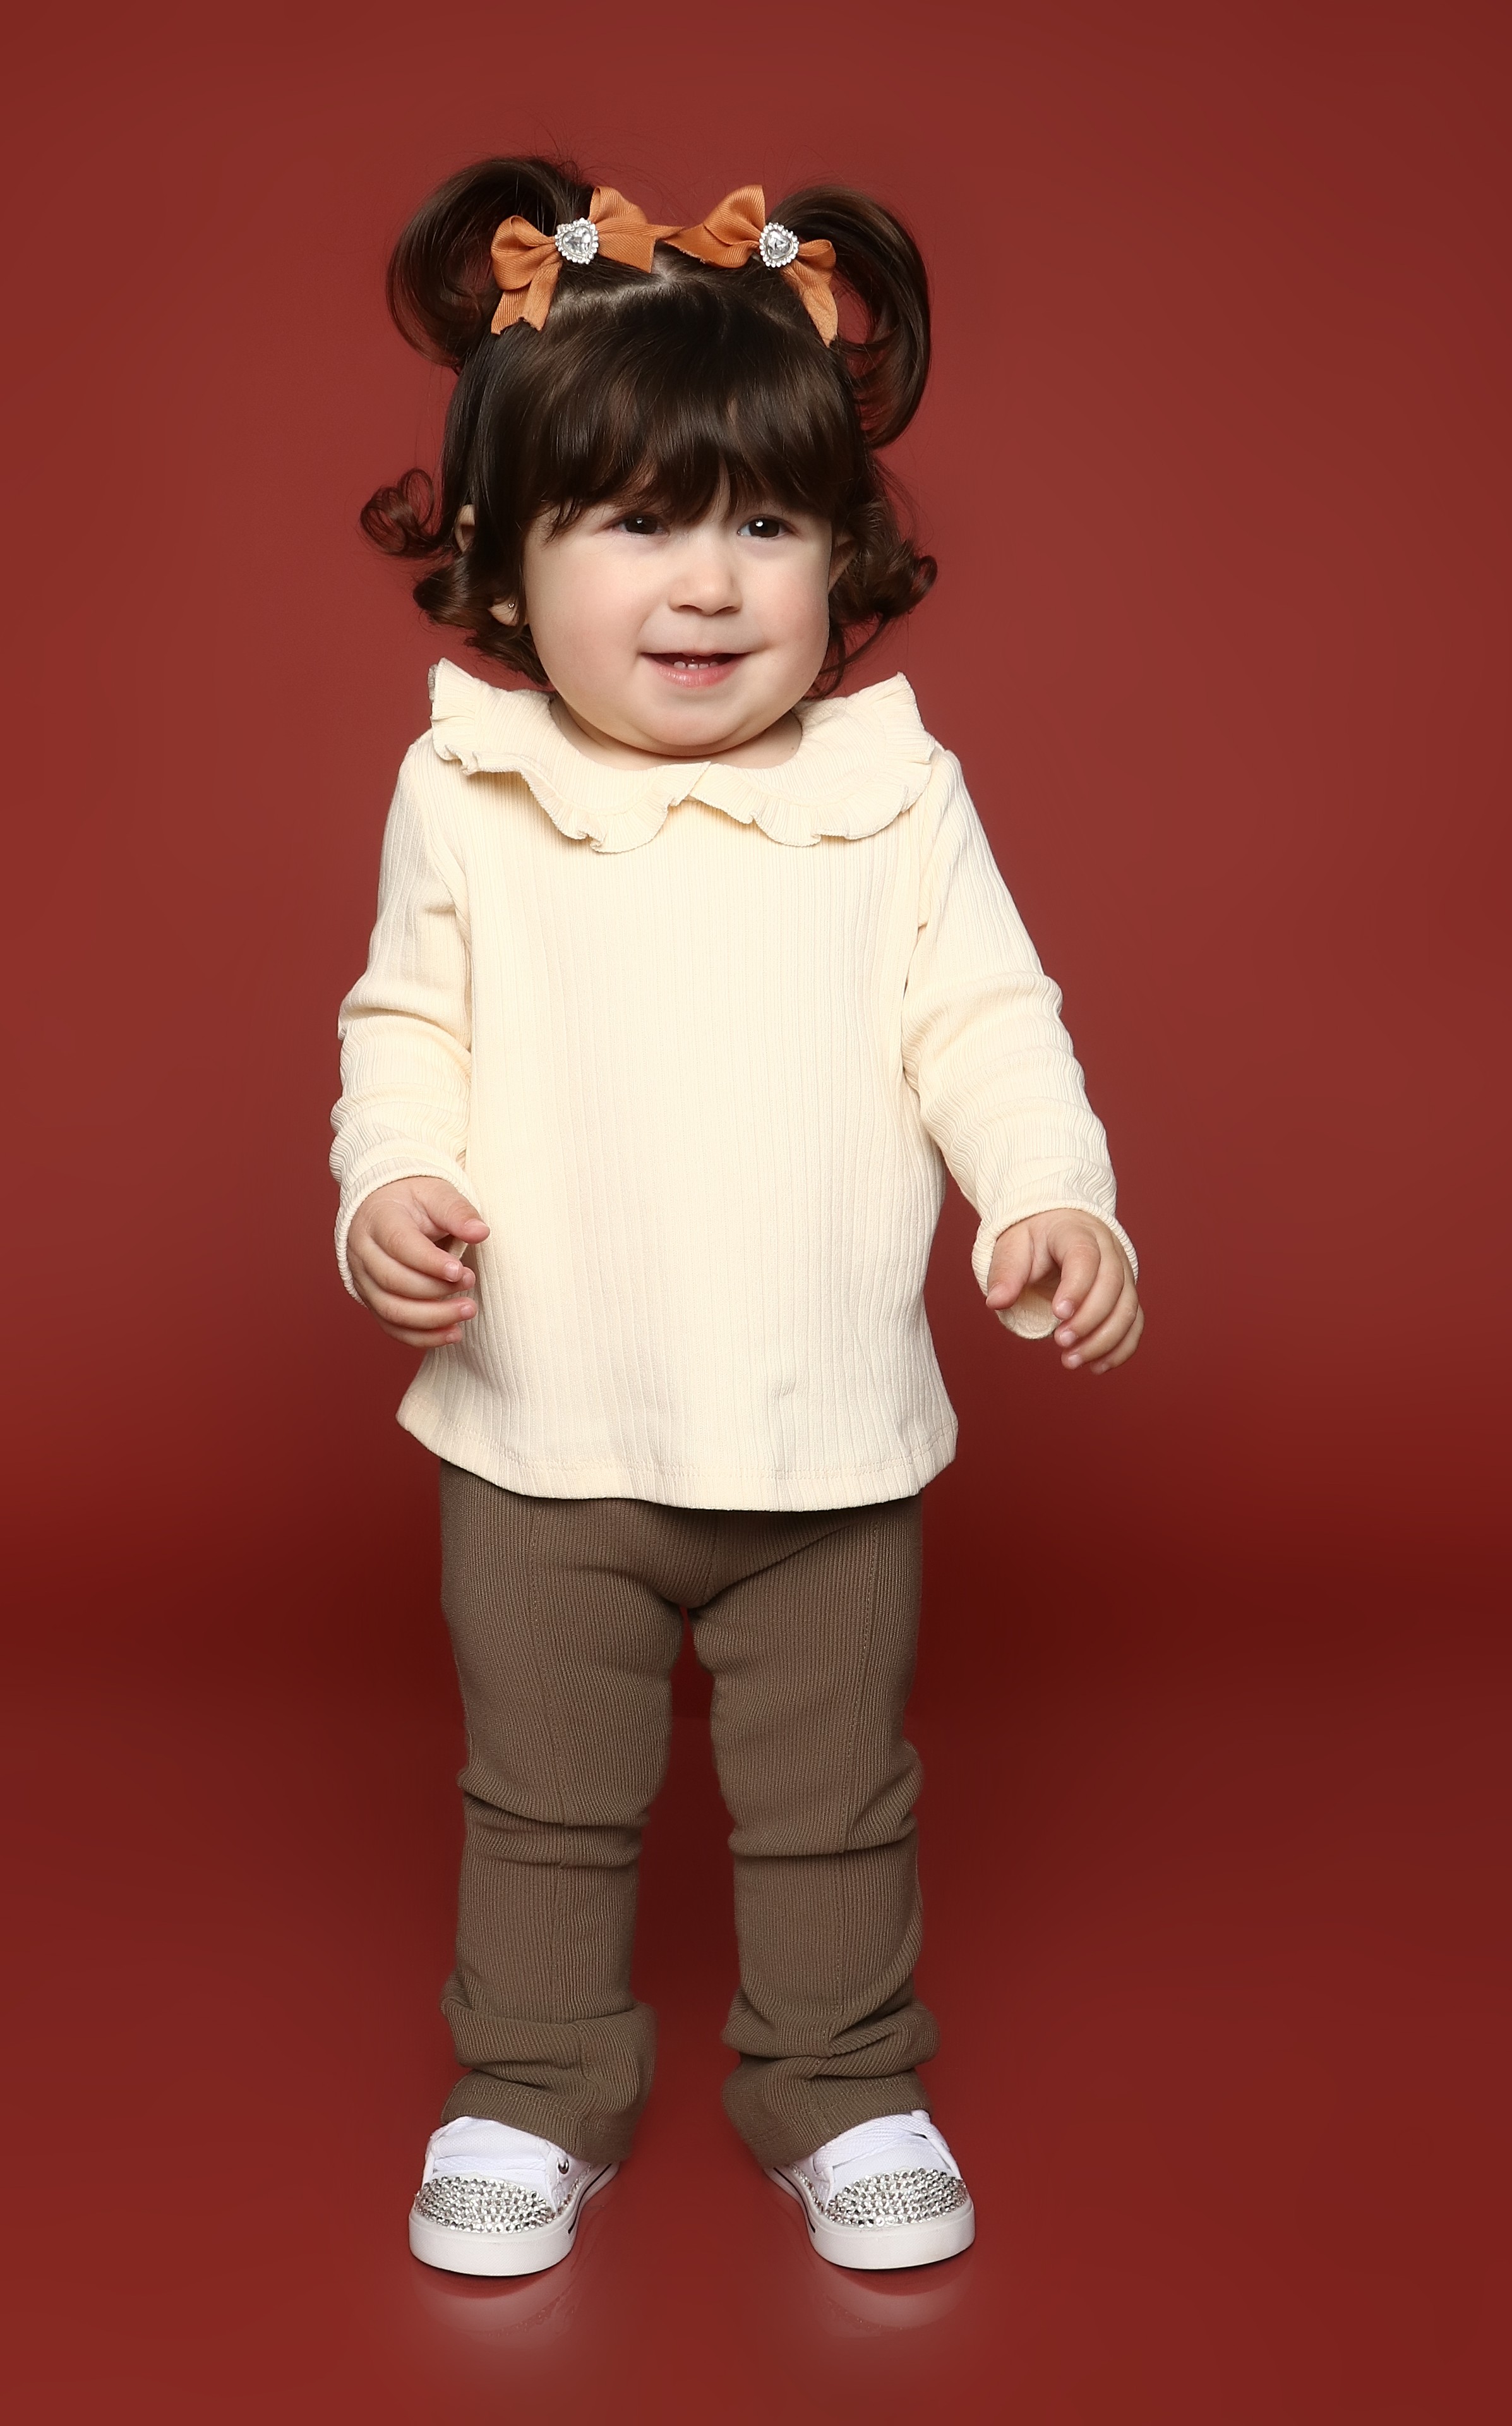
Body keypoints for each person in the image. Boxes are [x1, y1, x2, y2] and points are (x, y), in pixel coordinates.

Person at [330, 160, 1142, 2279]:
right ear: (502, 559)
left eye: (766, 525)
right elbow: (408, 1027)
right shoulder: (469, 791)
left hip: (825, 1443)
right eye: (635, 521)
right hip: (541, 1437)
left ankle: (837, 2080)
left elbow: (984, 1020)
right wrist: (387, 1189)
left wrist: (1051, 1194)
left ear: (842, 551)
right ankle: (532, 2089)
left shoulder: (891, 792)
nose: (708, 584)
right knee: (545, 1800)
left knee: (832, 1802)